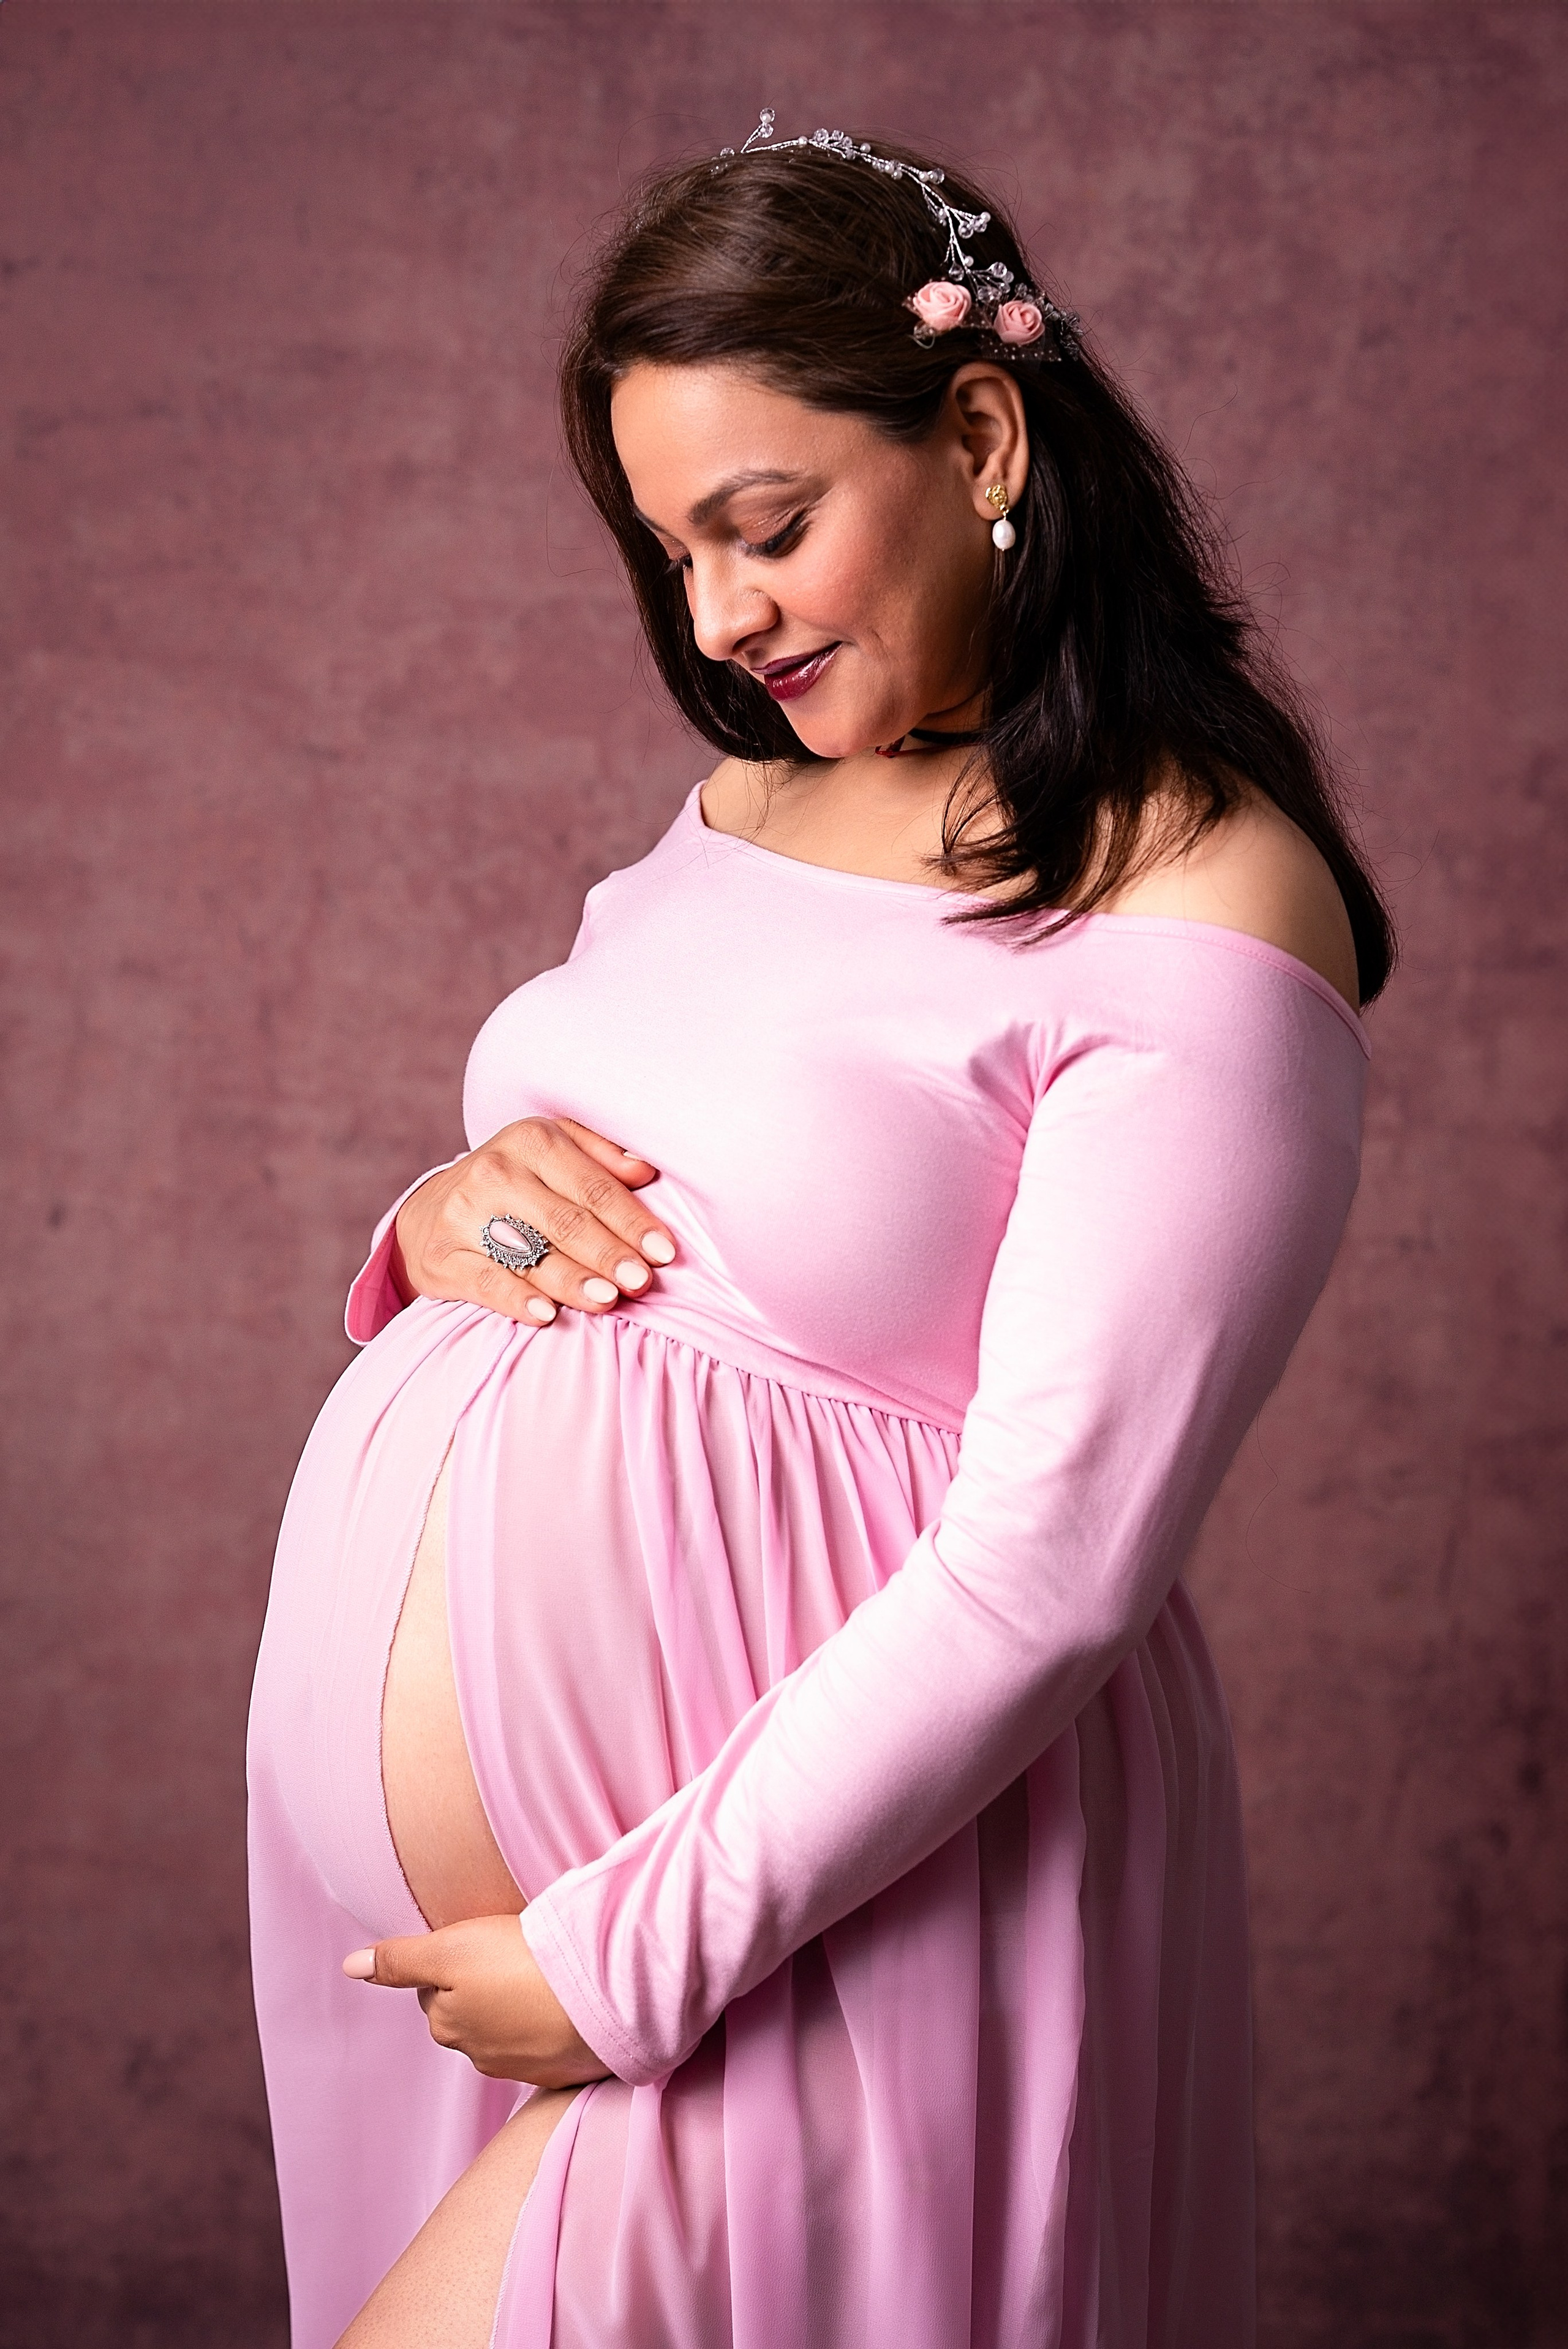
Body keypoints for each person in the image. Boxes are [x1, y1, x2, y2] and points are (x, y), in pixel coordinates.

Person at [247, 115, 1390, 2349]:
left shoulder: (1203, 894)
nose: (719, 616)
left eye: (763, 529)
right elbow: (664, 1196)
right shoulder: (751, 794)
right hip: (549, 1947)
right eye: (670, 553)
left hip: (814, 1928)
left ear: (979, 428)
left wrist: (625, 1949)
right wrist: (443, 1220)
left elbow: (1058, 1560)